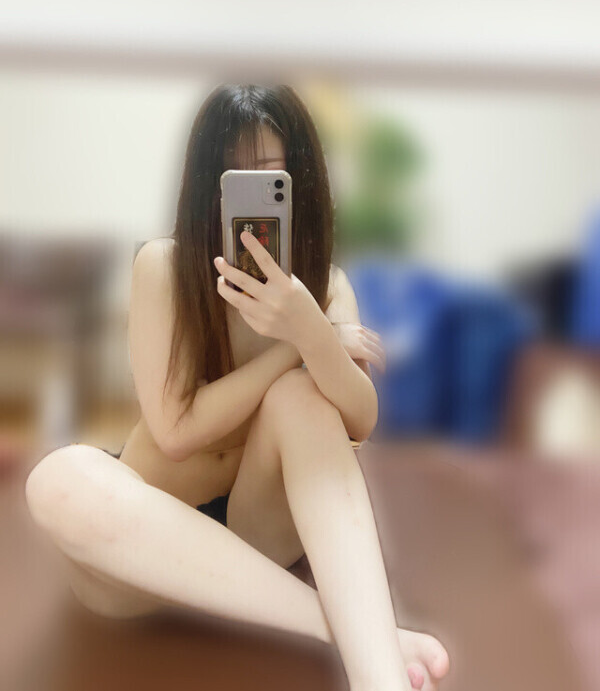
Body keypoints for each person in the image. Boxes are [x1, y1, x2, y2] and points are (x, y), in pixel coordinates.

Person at [24, 84, 450, 691]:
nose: (252, 194)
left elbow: (361, 421)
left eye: (270, 175)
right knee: (57, 478)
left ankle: (378, 677)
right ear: (208, 188)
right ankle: (372, 633)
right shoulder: (164, 268)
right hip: (143, 548)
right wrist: (293, 345)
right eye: (235, 177)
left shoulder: (325, 287)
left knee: (303, 399)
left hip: (257, 538)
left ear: (301, 180)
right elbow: (176, 433)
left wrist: (312, 328)